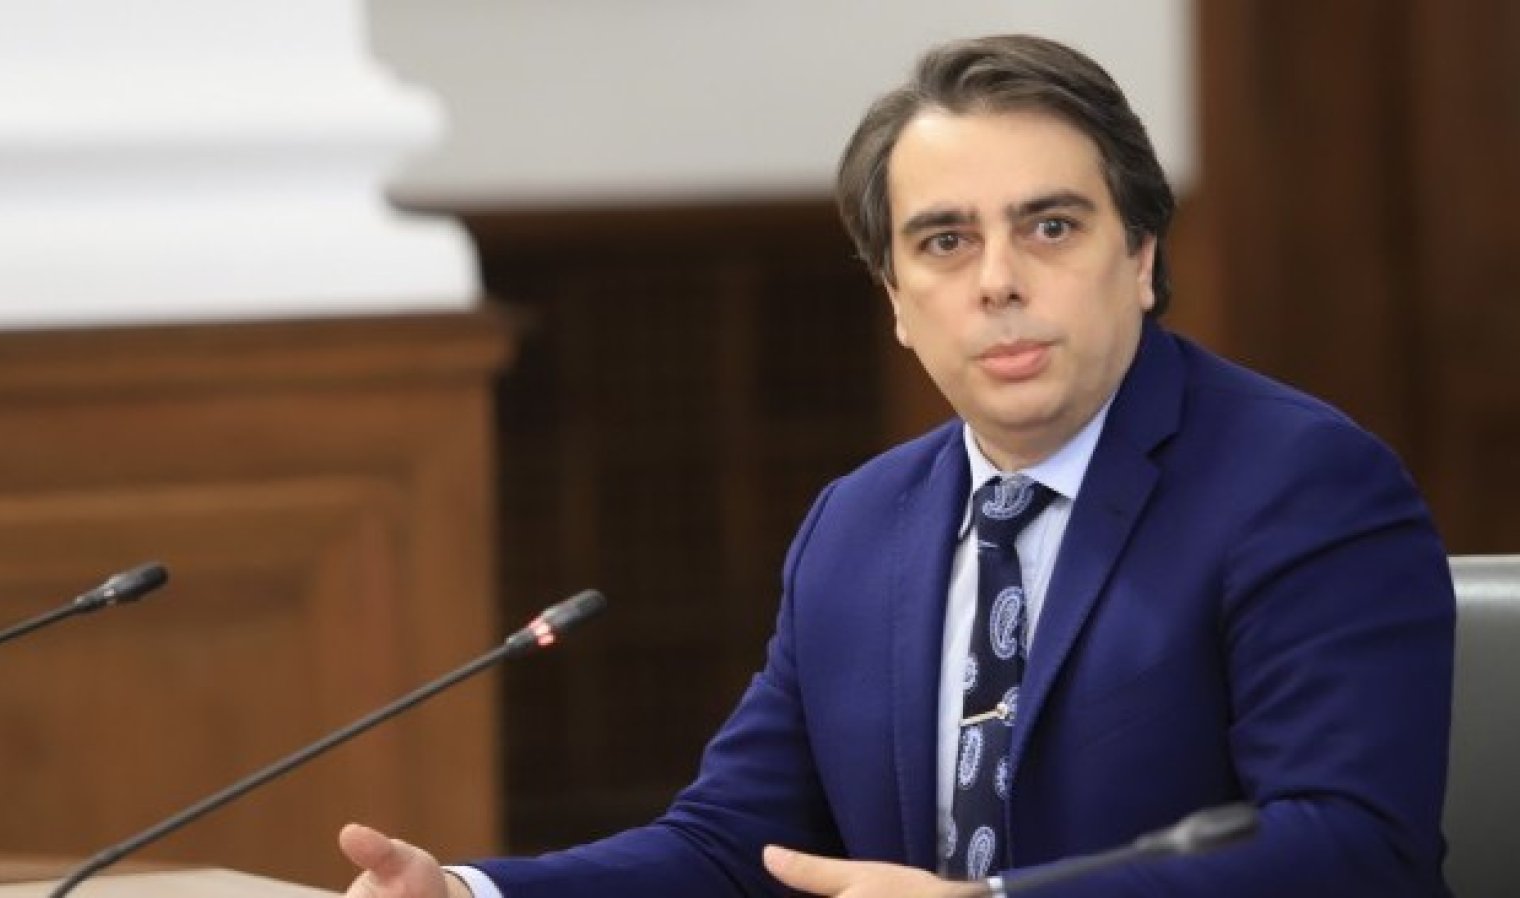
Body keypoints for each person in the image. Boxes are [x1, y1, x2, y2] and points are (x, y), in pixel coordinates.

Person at [338, 34, 1455, 898]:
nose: (998, 280)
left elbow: (1353, 845)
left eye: (1051, 227)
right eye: (945, 241)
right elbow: (736, 844)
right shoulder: (859, 523)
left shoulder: (1302, 485)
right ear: (897, 303)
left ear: (1141, 258)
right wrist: (473, 891)